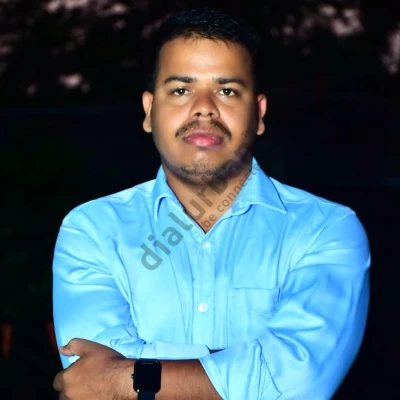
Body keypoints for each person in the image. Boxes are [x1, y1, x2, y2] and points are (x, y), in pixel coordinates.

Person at [52, 7, 370, 400]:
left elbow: (302, 382)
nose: (204, 107)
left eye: (227, 91)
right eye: (181, 90)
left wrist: (124, 380)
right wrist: (252, 367)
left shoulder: (327, 229)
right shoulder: (92, 229)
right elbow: (87, 375)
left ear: (258, 113)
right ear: (149, 111)